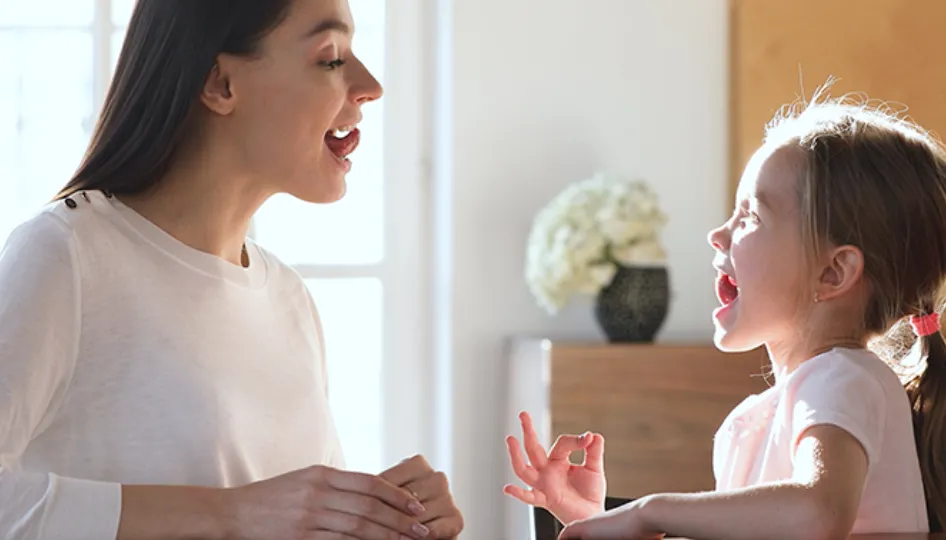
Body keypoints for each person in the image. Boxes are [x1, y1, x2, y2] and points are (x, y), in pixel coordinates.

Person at [0, 1, 463, 539]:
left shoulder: (287, 297)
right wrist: (233, 514)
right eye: (332, 58)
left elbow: (294, 524)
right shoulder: (67, 255)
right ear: (221, 84)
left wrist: (390, 521)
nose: (370, 85)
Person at [505, 94, 946, 539]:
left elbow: (819, 515)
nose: (718, 234)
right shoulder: (758, 419)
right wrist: (595, 522)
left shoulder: (846, 379)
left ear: (833, 272)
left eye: (750, 216)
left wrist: (648, 512)